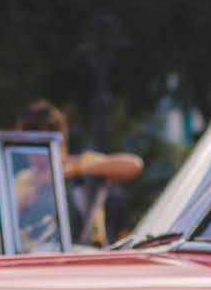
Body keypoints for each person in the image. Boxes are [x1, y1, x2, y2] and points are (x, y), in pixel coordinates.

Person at [16, 100, 142, 245]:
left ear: (60, 142)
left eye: (42, 144)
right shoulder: (23, 179)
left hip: (84, 252)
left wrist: (68, 172)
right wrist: (24, 204)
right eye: (29, 145)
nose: (36, 154)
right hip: (37, 253)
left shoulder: (81, 163)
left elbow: (133, 165)